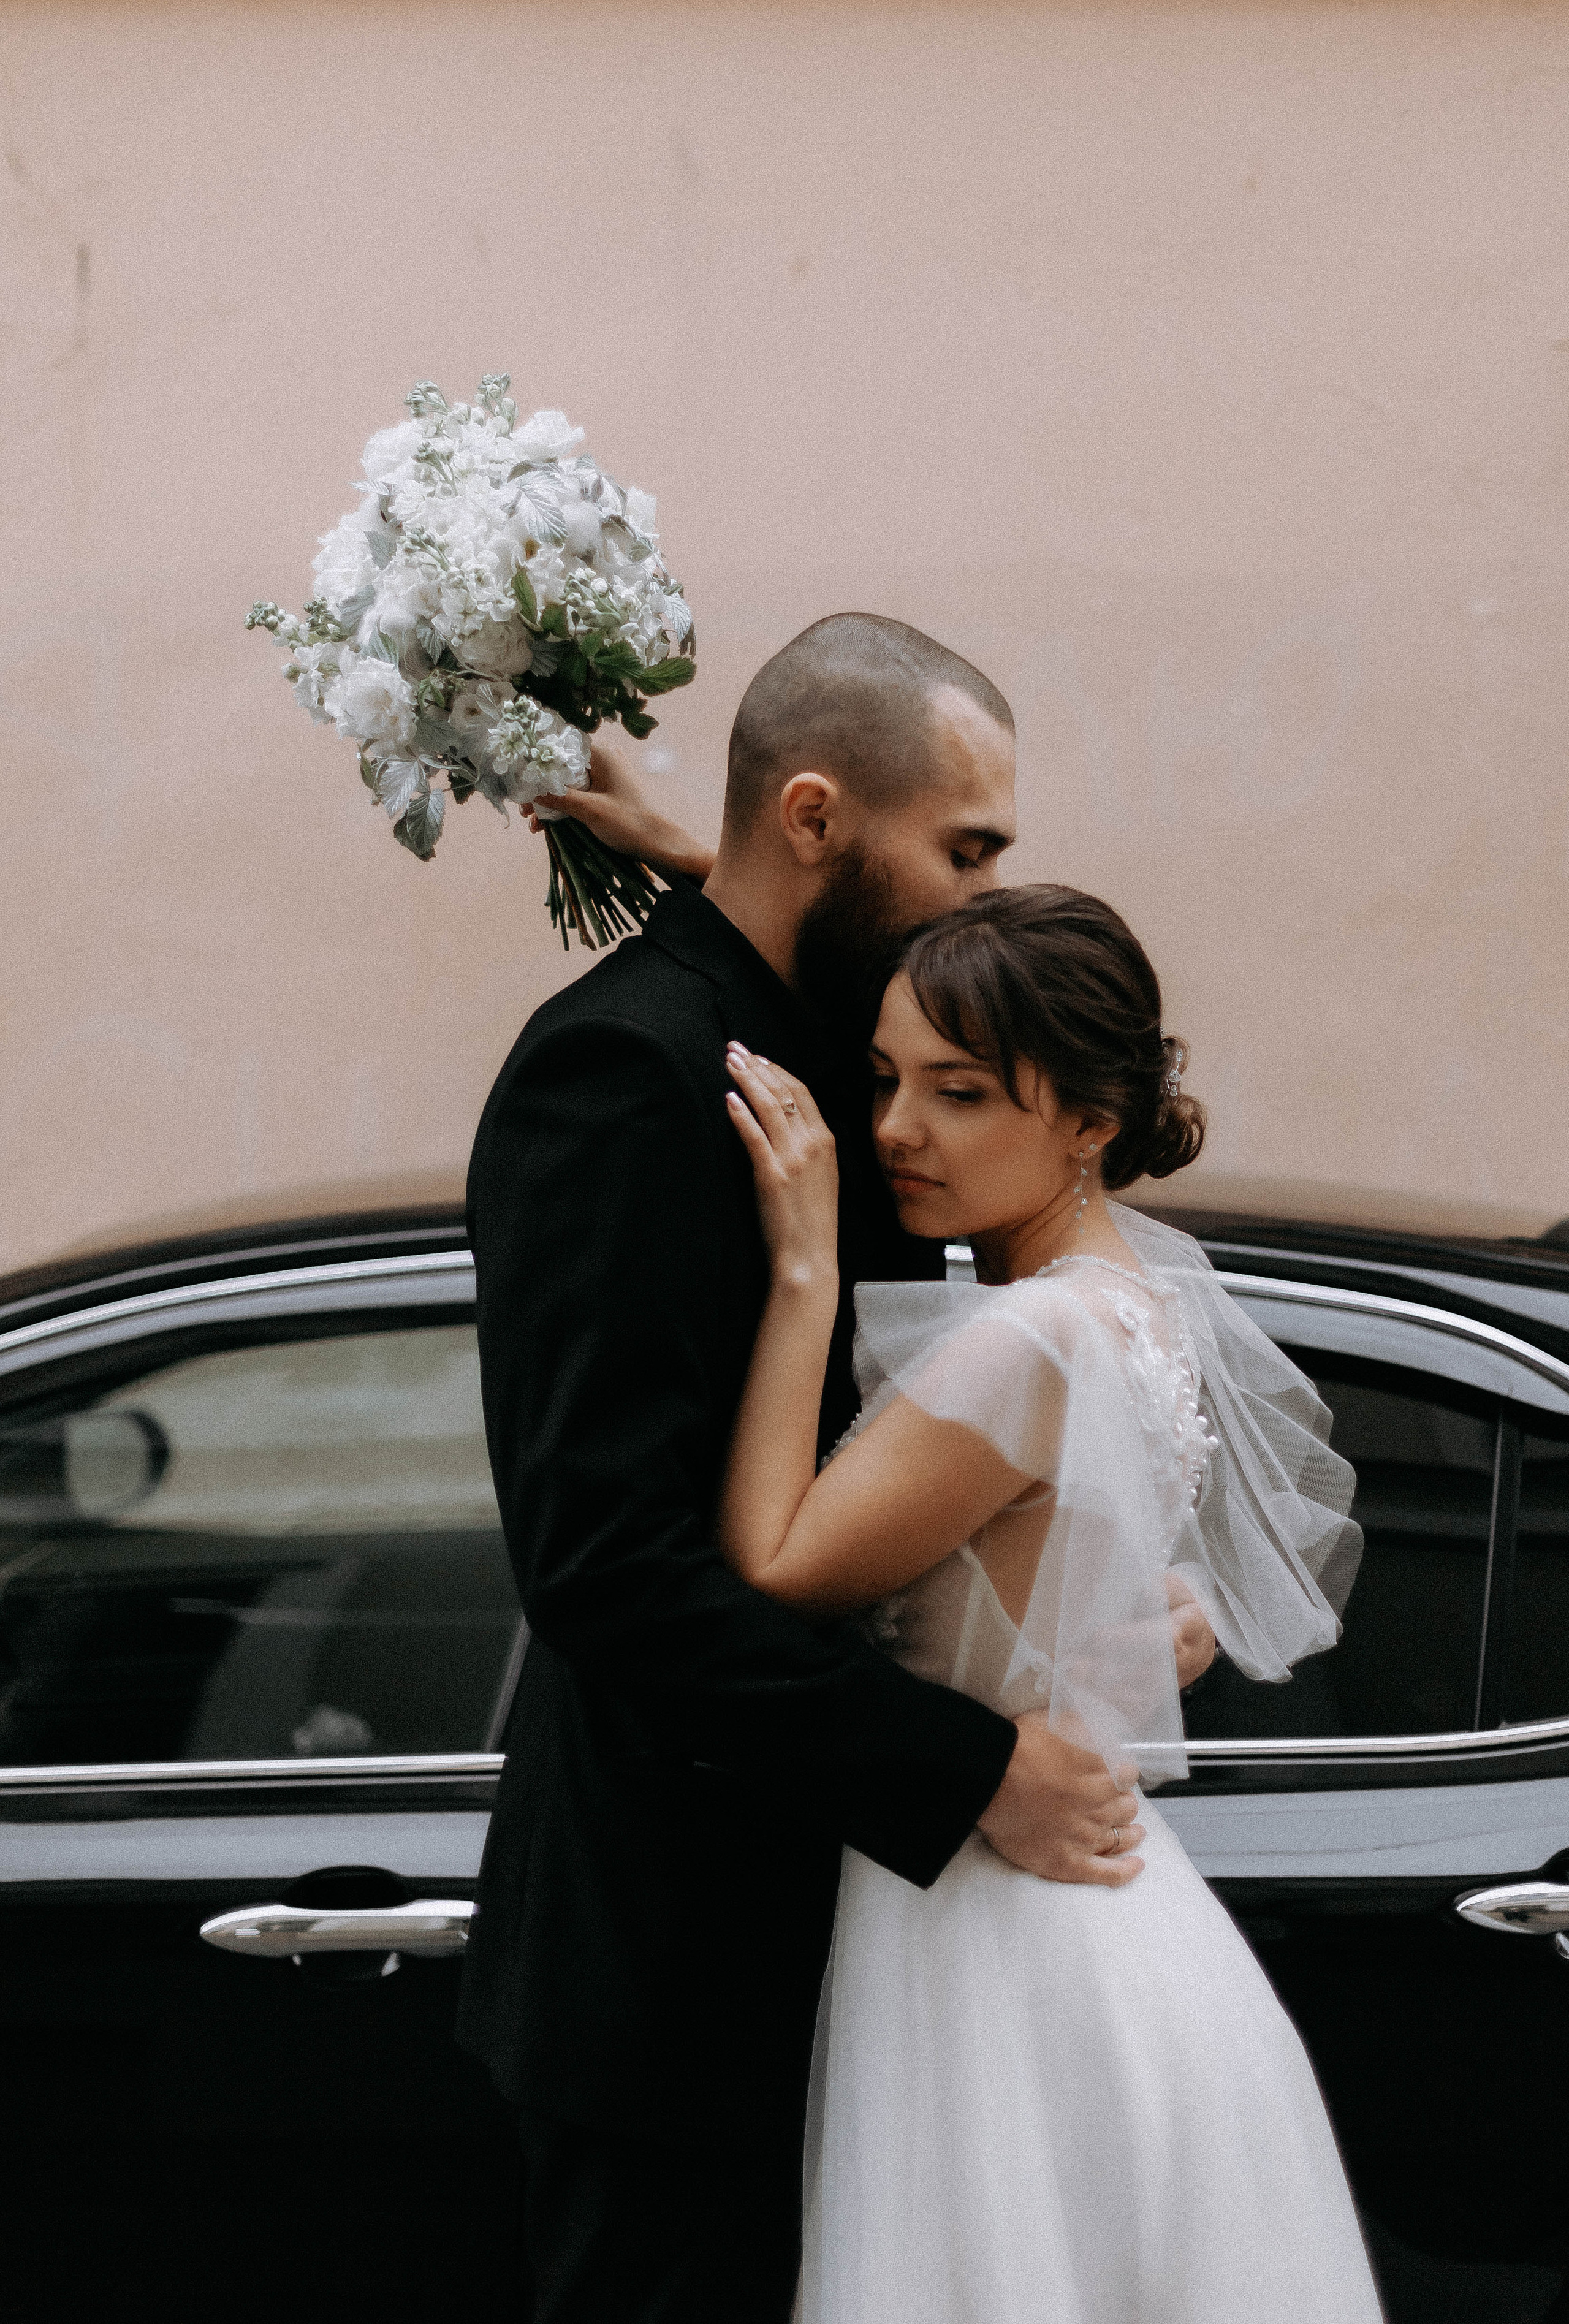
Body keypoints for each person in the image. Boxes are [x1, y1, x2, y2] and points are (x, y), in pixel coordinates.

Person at [458, 614, 1218, 2323]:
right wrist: (968, 1767)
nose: (981, 894)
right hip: (683, 1989)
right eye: (965, 850)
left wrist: (1102, 1572)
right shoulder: (623, 1075)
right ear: (814, 818)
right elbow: (606, 1572)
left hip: (878, 1961)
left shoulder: (839, 1041)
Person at [715, 883, 1383, 2324]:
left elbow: (774, 1564)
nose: (895, 1128)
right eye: (884, 1079)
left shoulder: (1032, 1335)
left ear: (1089, 1120)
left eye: (957, 1093)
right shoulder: (1138, 1296)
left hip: (997, 1928)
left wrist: (802, 1272)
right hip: (1108, 1914)